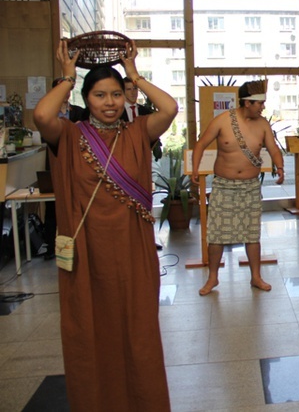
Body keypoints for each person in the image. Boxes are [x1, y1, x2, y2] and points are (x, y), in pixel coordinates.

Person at [33, 39, 177, 410]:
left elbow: (170, 108)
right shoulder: (68, 136)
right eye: (99, 95)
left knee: (138, 334)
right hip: (87, 258)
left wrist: (134, 76)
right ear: (86, 98)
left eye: (115, 94)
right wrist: (67, 77)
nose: (110, 102)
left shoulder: (138, 133)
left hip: (132, 255)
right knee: (90, 335)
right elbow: (42, 117)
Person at [191, 79, 285, 295]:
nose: (263, 107)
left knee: (252, 234)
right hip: (224, 185)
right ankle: (212, 278)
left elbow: (273, 149)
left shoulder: (262, 124)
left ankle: (256, 277)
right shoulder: (223, 121)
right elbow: (201, 144)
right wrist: (196, 169)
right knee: (217, 234)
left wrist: (279, 167)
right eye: (259, 103)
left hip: (250, 186)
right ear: (247, 103)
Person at [42, 76, 85, 260]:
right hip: (55, 159)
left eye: (68, 89)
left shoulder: (79, 112)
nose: (66, 93)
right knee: (53, 205)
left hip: (76, 161)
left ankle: (79, 245)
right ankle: (52, 247)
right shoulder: (49, 114)